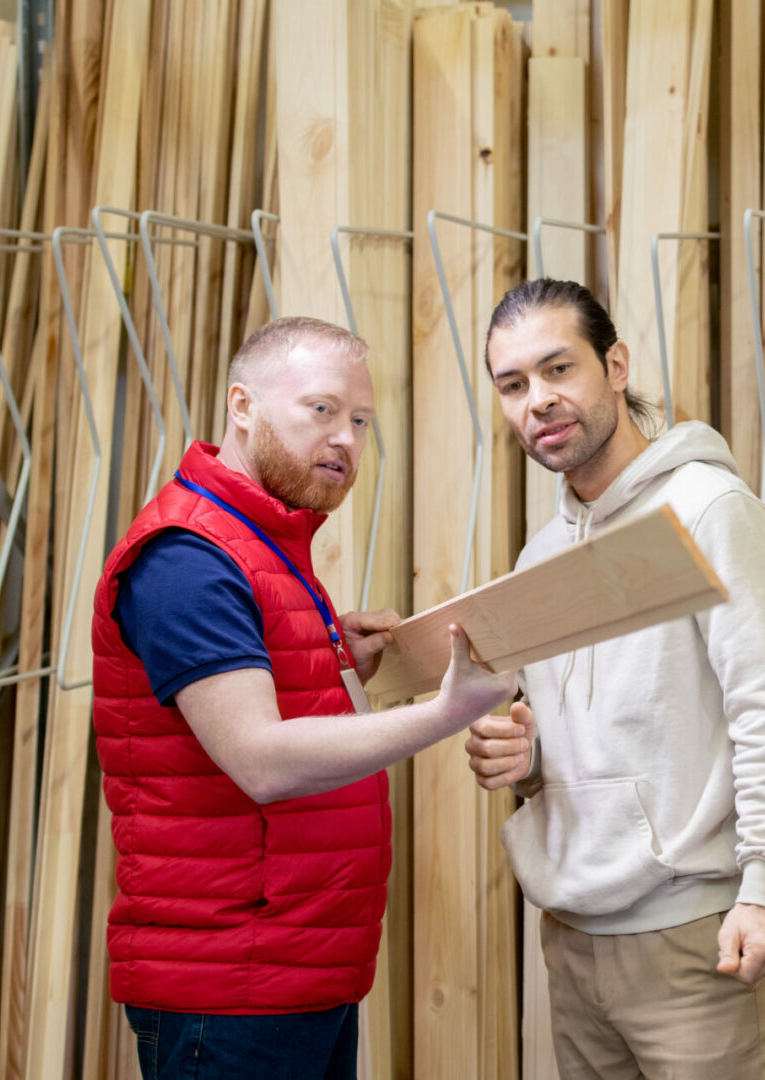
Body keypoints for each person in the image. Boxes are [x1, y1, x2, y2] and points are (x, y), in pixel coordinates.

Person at [91, 316, 514, 1080]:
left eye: (359, 420)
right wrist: (444, 712)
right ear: (242, 405)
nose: (346, 440)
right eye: (321, 410)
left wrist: (330, 661)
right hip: (228, 992)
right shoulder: (189, 557)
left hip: (293, 974)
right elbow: (260, 761)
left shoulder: (263, 546)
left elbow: (249, 707)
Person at [462, 279, 765, 1078]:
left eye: (559, 370)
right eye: (514, 385)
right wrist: (526, 763)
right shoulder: (541, 555)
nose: (539, 401)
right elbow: (588, 735)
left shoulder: (707, 508)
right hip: (571, 935)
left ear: (615, 366)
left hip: (695, 941)